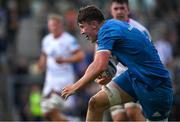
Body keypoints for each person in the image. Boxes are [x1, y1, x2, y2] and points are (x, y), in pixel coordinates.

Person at [61, 5, 173, 122]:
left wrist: (75, 86)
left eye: (82, 27)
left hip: (155, 85)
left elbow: (100, 66)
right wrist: (108, 74)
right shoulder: (111, 26)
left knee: (133, 114)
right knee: (96, 103)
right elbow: (101, 63)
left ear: (94, 24)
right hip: (133, 77)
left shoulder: (106, 31)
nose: (82, 32)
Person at [109, 0, 151, 121]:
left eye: (122, 8)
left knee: (132, 111)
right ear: (111, 10)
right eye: (116, 9)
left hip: (134, 77)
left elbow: (149, 57)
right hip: (113, 78)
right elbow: (99, 55)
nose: (119, 11)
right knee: (119, 118)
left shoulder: (140, 31)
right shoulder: (105, 30)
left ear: (128, 10)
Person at [38, 14, 84, 121]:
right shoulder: (46, 40)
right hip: (50, 79)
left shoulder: (68, 39)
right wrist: (41, 65)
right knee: (47, 113)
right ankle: (73, 120)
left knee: (51, 107)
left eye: (55, 25)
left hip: (64, 78)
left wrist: (64, 60)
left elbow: (80, 55)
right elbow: (44, 55)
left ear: (60, 25)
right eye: (50, 25)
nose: (53, 28)